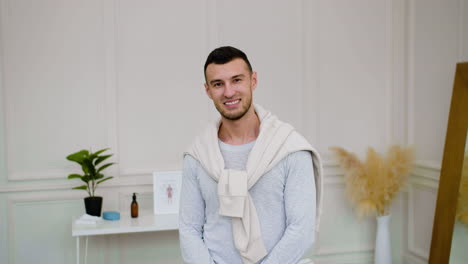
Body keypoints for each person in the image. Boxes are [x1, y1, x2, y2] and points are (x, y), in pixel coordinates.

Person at [179, 46, 323, 264]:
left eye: (237, 80)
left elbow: (302, 230)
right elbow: (189, 228)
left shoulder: (290, 148)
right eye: (218, 84)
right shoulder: (198, 155)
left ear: (253, 81)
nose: (228, 92)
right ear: (208, 90)